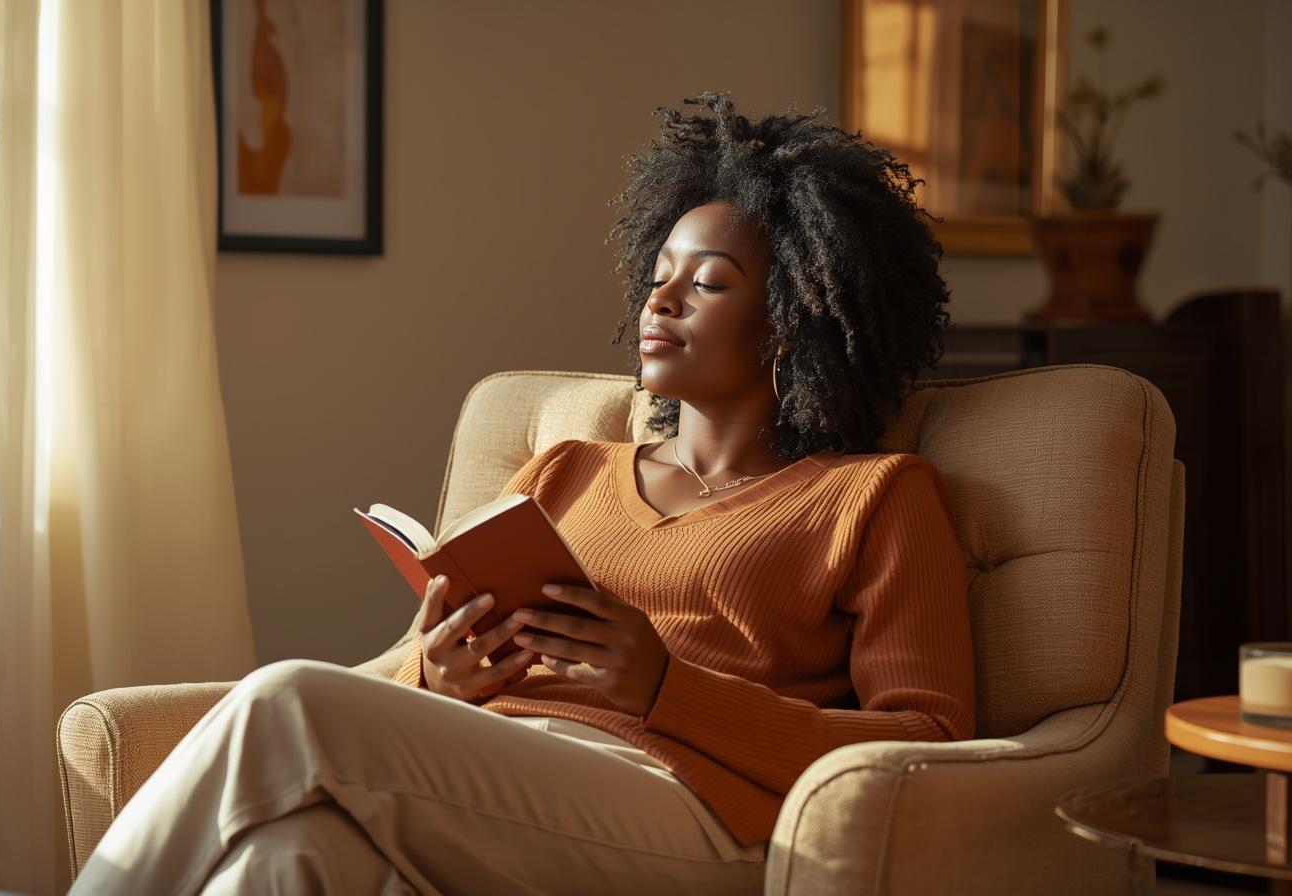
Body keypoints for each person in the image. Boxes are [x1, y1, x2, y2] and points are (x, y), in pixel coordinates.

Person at [71, 91, 975, 895]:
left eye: (707, 285)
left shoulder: (874, 498)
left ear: (790, 327)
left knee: (288, 701)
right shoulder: (567, 472)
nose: (661, 303)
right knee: (289, 858)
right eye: (658, 276)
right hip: (501, 772)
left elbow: (926, 744)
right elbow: (414, 667)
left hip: (692, 807)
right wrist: (439, 672)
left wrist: (666, 687)